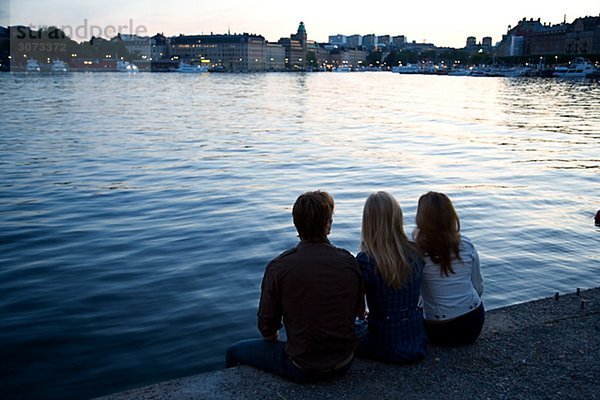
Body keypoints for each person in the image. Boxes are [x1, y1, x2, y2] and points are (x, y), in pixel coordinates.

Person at [225, 190, 362, 382]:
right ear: (328, 224)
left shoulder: (279, 267)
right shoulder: (349, 262)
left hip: (303, 368)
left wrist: (274, 335)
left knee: (233, 352)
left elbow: (267, 329)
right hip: (344, 362)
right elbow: (357, 312)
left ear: (296, 224)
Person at [355, 191, 427, 363]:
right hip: (415, 339)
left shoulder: (366, 260)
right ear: (397, 218)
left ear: (368, 222)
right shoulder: (415, 251)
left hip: (383, 343)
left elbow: (357, 306)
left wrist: (361, 313)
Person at [414, 191, 484, 346]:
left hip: (438, 330)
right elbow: (478, 288)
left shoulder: (416, 251)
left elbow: (414, 296)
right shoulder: (466, 244)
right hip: (473, 323)